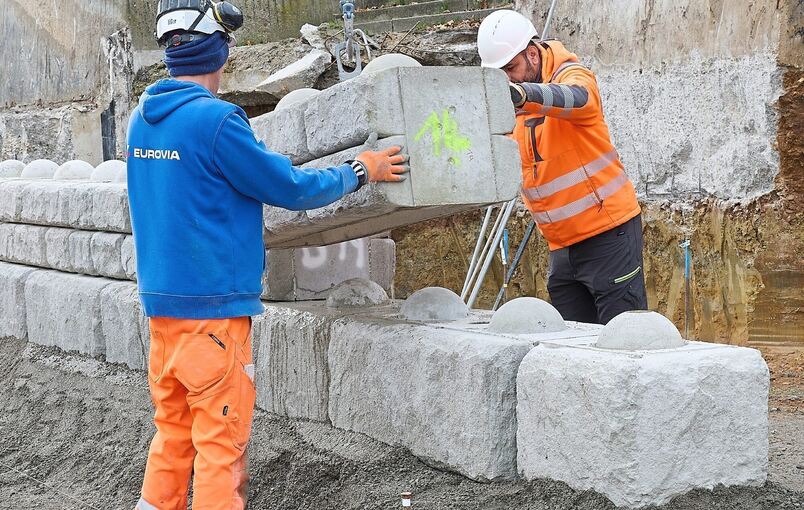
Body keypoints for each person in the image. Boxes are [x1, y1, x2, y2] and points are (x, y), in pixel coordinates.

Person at [127, 2, 407, 508]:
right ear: (219, 49)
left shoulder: (141, 122)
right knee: (220, 445)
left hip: (163, 316)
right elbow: (291, 187)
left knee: (173, 436)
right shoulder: (215, 122)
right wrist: (360, 171)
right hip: (213, 316)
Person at [477, 9, 648, 325]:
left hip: (608, 234)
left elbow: (580, 98)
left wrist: (521, 95)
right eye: (499, 74)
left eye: (511, 68)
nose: (507, 79)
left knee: (623, 340)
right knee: (572, 347)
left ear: (532, 54)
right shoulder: (510, 99)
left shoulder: (570, 75)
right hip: (561, 246)